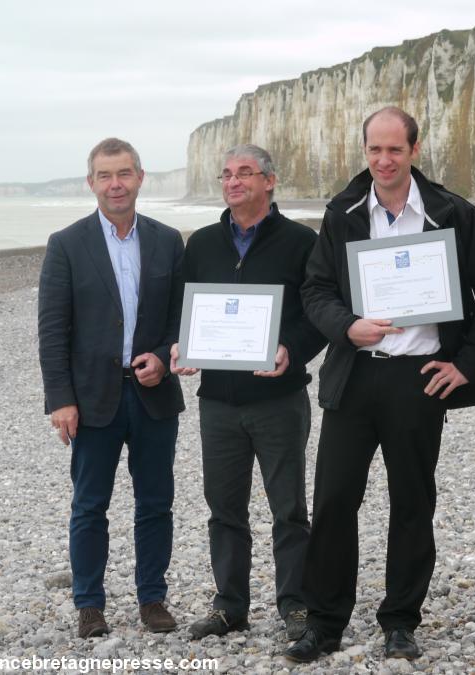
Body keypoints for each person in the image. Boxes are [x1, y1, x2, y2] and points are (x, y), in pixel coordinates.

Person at [286, 106, 475, 663]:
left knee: (412, 501)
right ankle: (324, 622)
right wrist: (347, 327)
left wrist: (466, 365)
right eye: (374, 150)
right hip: (355, 374)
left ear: (414, 150)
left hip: (420, 379)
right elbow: (315, 290)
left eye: (394, 149)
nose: (384, 160)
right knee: (335, 500)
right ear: (364, 151)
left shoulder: (452, 213)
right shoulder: (342, 213)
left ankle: (401, 621)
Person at [170, 143, 326, 641]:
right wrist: (180, 345)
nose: (233, 182)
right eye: (226, 174)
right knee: (224, 510)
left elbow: (319, 313)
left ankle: (295, 606)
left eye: (245, 173)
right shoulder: (202, 244)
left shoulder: (301, 242)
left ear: (269, 181)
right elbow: (184, 310)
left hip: (279, 399)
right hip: (218, 402)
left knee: (289, 510)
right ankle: (230, 606)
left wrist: (291, 350)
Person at [37, 138, 186, 638]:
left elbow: (180, 317)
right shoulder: (66, 244)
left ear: (140, 177)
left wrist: (163, 357)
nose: (115, 184)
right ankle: (89, 604)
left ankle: (152, 599)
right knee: (89, 505)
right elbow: (52, 330)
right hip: (91, 398)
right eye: (105, 175)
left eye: (124, 173)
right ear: (91, 183)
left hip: (153, 394)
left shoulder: (168, 240)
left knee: (156, 503)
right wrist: (60, 400)